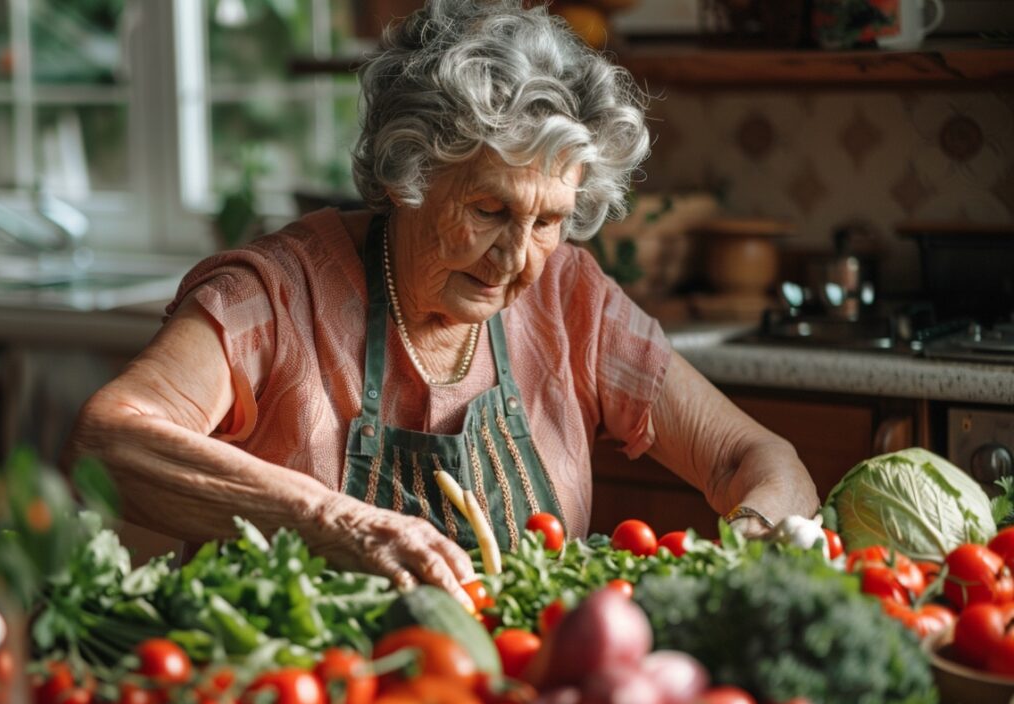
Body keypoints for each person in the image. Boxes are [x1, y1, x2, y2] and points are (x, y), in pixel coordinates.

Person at [65, 0, 818, 609]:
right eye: (490, 210)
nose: (517, 257)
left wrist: (754, 539)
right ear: (408, 173)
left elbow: (756, 458)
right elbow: (107, 438)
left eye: (549, 220)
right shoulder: (275, 293)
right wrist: (335, 524)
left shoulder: (571, 300)